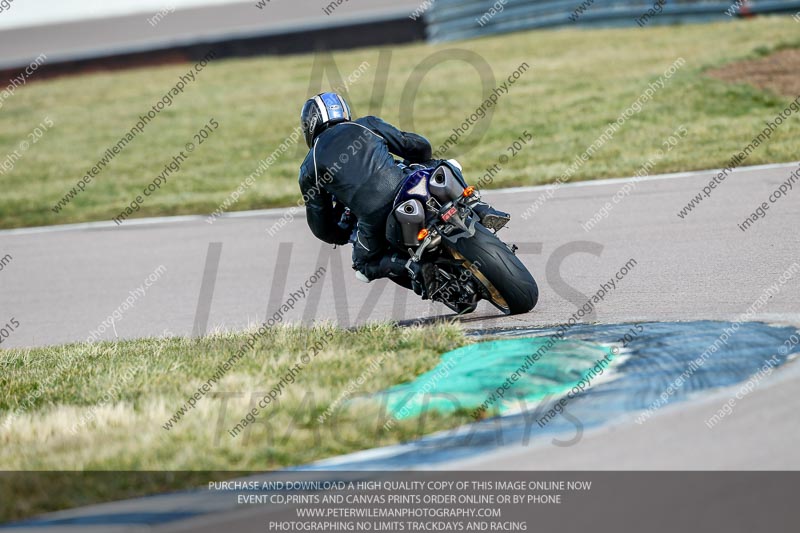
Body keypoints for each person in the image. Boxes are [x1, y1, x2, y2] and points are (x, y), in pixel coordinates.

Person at [298, 92, 509, 297]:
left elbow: (321, 226)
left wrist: (341, 234)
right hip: (408, 184)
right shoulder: (365, 124)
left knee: (364, 264)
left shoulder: (309, 167)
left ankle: (417, 270)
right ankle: (480, 208)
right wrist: (419, 159)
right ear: (343, 112)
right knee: (442, 166)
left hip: (373, 216)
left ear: (309, 125)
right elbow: (415, 145)